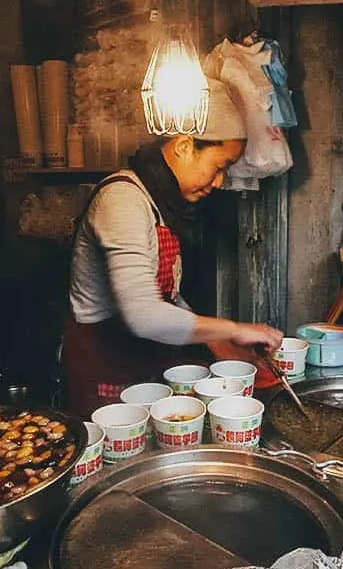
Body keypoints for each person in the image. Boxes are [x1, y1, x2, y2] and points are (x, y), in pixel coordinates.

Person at [62, 78, 284, 419]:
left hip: (142, 366)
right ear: (184, 147)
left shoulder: (158, 204)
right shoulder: (122, 201)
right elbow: (144, 315)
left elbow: (166, 295)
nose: (220, 181)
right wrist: (235, 329)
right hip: (104, 371)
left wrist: (218, 344)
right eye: (220, 166)